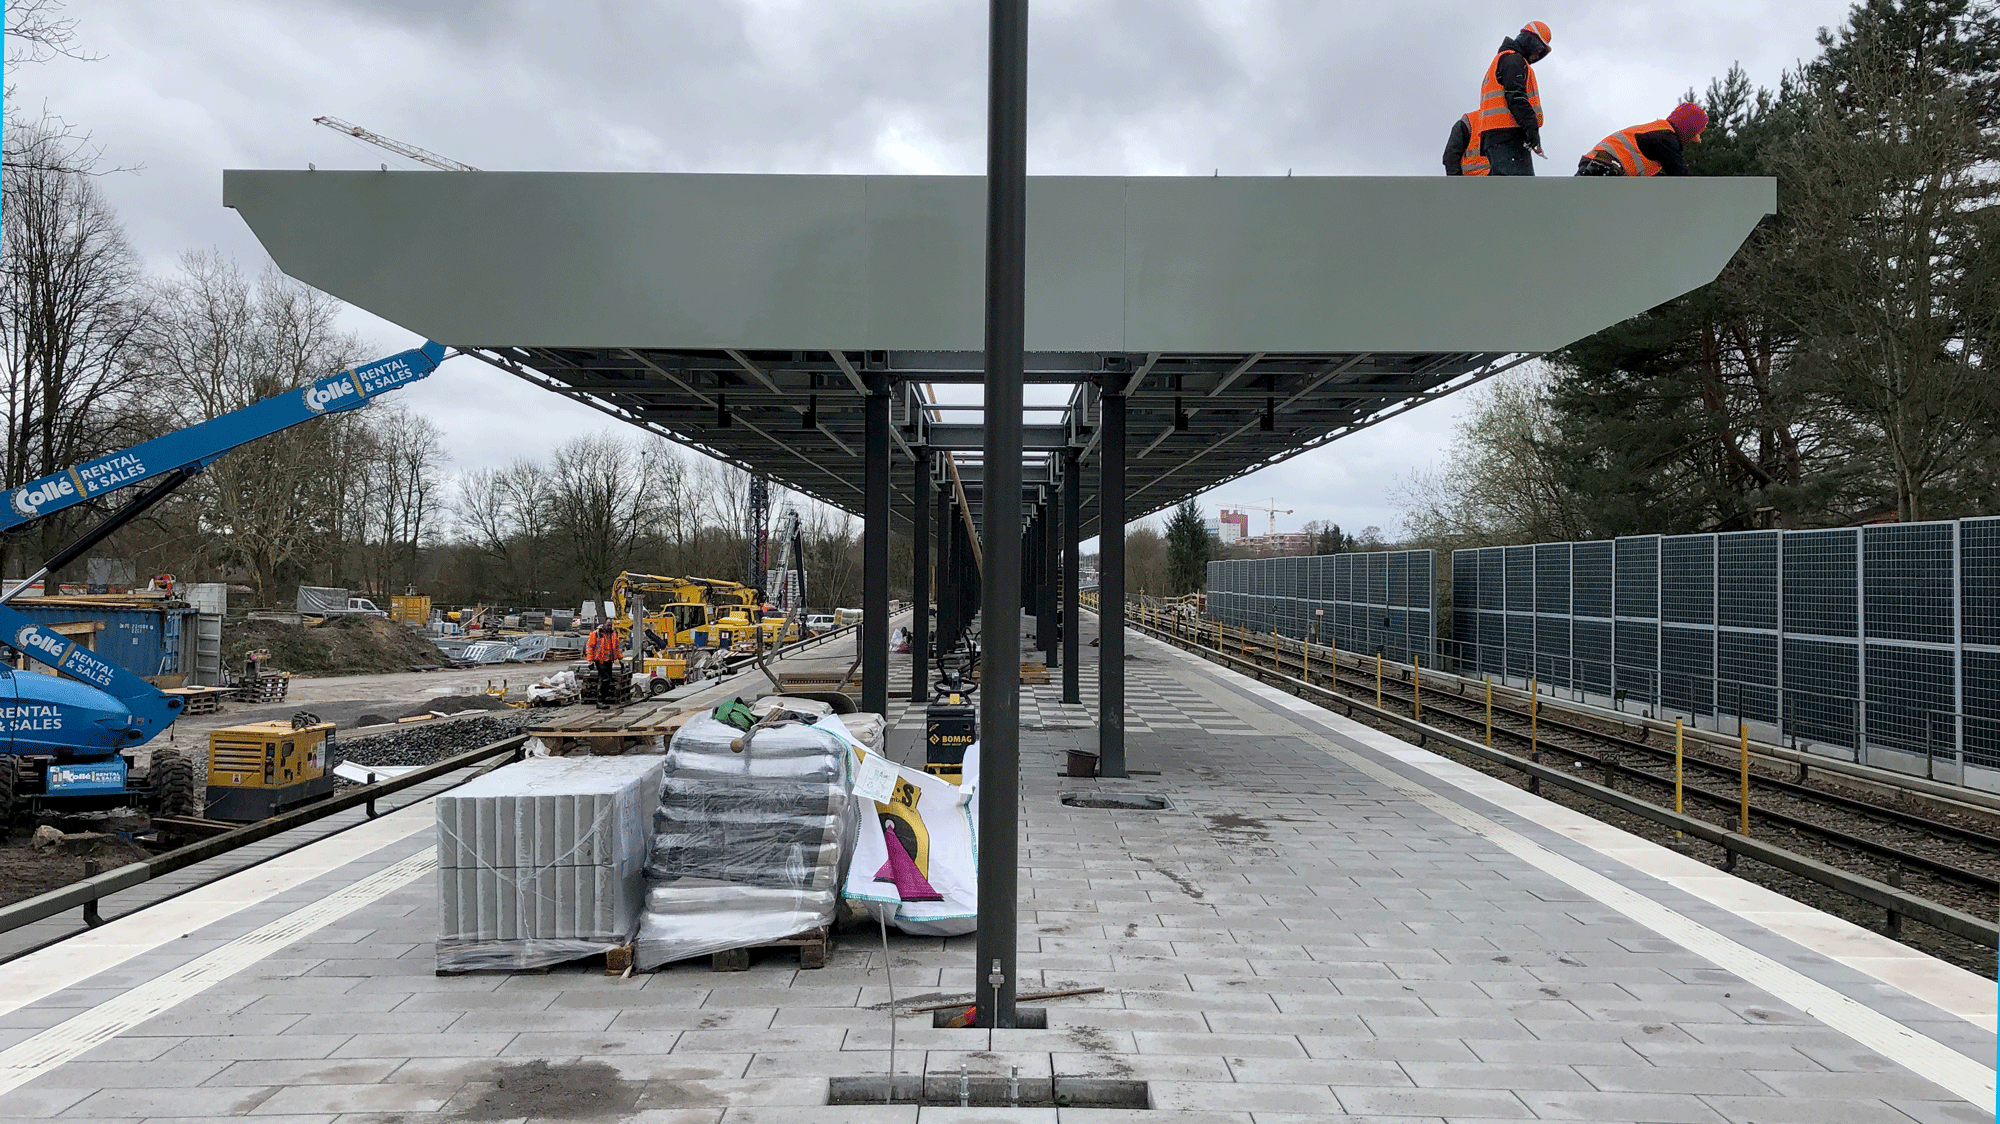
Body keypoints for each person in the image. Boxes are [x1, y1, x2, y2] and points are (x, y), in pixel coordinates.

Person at [1477, 21, 1553, 176]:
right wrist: (1531, 128)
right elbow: (1516, 97)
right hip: (1507, 136)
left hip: (1498, 137)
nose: (1536, 56)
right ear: (1531, 41)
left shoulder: (1504, 60)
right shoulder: (1513, 60)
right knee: (1519, 190)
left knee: (1506, 189)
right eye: (1538, 50)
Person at [1575, 101, 1708, 177]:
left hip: (1597, 165)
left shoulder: (1658, 133)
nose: (1691, 141)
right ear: (1688, 130)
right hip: (1604, 168)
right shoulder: (1666, 139)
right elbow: (1680, 176)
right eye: (1693, 136)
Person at [1441, 111, 1489, 175]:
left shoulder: (1504, 120)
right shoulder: (1470, 121)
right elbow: (1451, 157)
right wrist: (1457, 182)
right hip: (1471, 181)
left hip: (1499, 182)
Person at [586, 620, 620, 708]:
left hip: (609, 660)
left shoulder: (613, 634)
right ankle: (600, 700)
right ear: (604, 625)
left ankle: (603, 700)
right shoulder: (596, 634)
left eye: (610, 625)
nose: (609, 626)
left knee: (608, 680)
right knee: (605, 679)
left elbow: (616, 647)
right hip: (600, 660)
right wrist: (590, 660)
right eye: (608, 625)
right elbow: (590, 647)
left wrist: (619, 659)